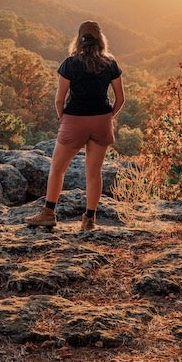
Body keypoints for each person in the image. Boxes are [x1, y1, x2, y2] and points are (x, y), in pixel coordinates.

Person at [25, 20, 124, 232]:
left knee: (57, 169)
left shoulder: (70, 63)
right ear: (101, 40)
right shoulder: (110, 63)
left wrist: (63, 119)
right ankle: (89, 219)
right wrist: (108, 116)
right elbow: (120, 98)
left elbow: (59, 99)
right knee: (94, 173)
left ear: (79, 39)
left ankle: (48, 213)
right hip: (101, 121)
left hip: (74, 121)